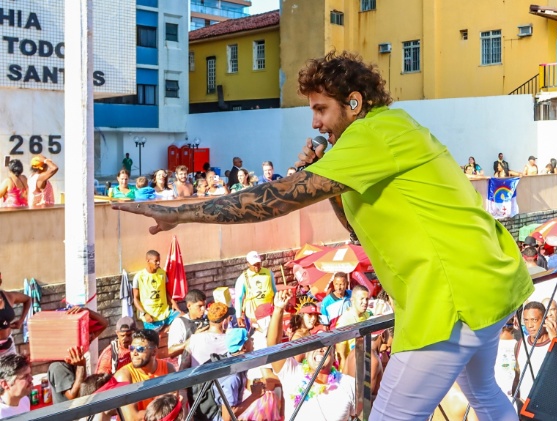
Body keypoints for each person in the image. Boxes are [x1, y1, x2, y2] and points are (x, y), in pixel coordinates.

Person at [114, 50, 532, 421]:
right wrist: (325, 174)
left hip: (451, 301)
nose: (314, 121)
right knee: (484, 394)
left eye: (321, 109)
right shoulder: (389, 129)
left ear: (354, 103)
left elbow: (273, 200)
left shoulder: (371, 135)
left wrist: (181, 213)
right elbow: (353, 227)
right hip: (484, 286)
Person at [269, 290, 358, 420]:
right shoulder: (293, 374)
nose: (320, 349)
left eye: (325, 346)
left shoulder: (348, 384)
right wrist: (278, 310)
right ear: (306, 354)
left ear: (333, 354)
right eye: (314, 346)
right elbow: (273, 348)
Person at [115, 329, 176, 421]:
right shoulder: (123, 376)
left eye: (140, 349)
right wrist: (162, 413)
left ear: (154, 352)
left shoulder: (168, 369)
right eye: (132, 348)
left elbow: (175, 405)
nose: (134, 353)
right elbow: (132, 418)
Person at [133, 250, 181, 331]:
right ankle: (159, 334)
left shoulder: (162, 273)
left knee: (182, 317)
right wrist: (144, 314)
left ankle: (161, 332)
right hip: (150, 315)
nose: (158, 263)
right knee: (154, 340)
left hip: (164, 312)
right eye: (156, 261)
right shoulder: (139, 276)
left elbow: (165, 291)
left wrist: (173, 303)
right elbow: (135, 298)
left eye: (159, 261)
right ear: (148, 261)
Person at [167, 289, 208, 367]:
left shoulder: (208, 318)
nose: (203, 309)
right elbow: (171, 352)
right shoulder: (179, 323)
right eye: (200, 306)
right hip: (190, 368)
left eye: (204, 305)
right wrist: (194, 339)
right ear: (189, 306)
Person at [0, 275, 31, 357]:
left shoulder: (7, 297)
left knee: (14, 369)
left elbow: (27, 299)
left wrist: (21, 320)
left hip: (8, 347)